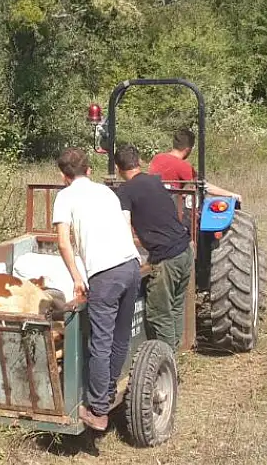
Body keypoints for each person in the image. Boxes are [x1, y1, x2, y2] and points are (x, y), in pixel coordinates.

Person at [52, 146, 142, 432]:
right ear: (89, 170)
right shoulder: (106, 192)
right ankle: (109, 393)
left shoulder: (65, 197)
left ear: (64, 176)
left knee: (100, 343)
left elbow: (64, 242)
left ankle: (99, 410)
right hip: (130, 266)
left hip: (105, 274)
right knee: (119, 337)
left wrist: (77, 277)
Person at [113, 143, 193, 350]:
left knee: (159, 313)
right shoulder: (156, 182)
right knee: (175, 306)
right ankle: (174, 353)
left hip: (166, 258)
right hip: (184, 251)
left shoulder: (125, 191)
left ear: (118, 169)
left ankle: (167, 362)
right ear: (139, 162)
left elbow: (122, 229)